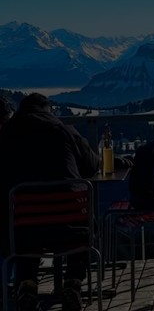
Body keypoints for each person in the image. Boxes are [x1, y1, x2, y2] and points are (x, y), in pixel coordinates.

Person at [0, 93, 100, 311]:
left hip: (25, 230)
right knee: (84, 222)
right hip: (71, 228)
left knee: (25, 225)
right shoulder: (64, 129)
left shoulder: (7, 133)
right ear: (48, 109)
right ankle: (73, 282)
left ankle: (27, 285)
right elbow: (91, 166)